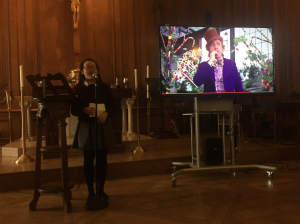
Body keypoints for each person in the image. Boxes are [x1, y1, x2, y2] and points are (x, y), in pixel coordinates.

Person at [71, 59, 117, 208]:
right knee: (88, 160)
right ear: (82, 71)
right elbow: (73, 109)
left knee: (102, 160)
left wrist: (107, 114)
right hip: (87, 126)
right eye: (87, 67)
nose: (90, 69)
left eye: (93, 67)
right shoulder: (78, 89)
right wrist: (83, 110)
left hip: (102, 126)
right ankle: (91, 193)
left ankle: (101, 191)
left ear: (97, 70)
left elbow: (113, 106)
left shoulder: (104, 87)